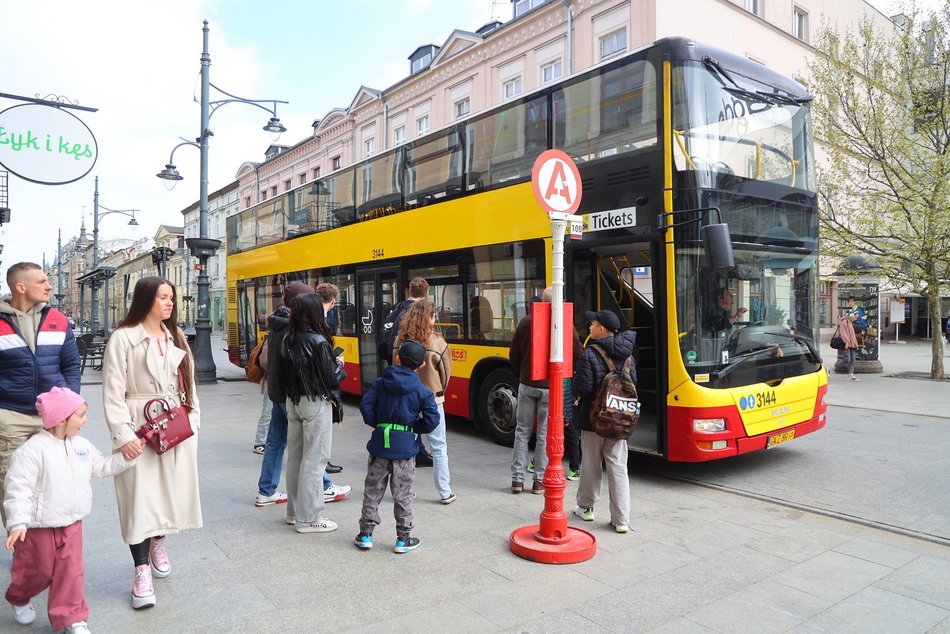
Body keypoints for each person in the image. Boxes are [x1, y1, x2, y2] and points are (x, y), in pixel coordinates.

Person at [102, 276, 202, 609]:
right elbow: (113, 391)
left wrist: (193, 421)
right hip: (138, 423)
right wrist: (123, 435)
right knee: (138, 499)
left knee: (167, 494)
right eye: (162, 297)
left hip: (175, 424)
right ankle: (141, 569)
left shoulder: (176, 336)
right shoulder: (123, 338)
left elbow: (190, 383)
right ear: (145, 300)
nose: (169, 303)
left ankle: (158, 540)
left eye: (171, 297)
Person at [4, 387, 139, 633]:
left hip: (72, 524)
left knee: (71, 572)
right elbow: (18, 488)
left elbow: (101, 465)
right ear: (60, 419)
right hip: (39, 527)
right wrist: (18, 523)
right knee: (36, 571)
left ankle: (72, 617)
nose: (85, 420)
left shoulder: (81, 446)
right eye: (80, 415)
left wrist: (127, 458)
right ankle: (19, 596)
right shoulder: (32, 450)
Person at [254, 282, 349, 511]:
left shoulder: (277, 323)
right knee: (310, 448)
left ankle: (266, 491)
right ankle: (323, 488)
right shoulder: (294, 327)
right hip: (295, 394)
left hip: (277, 391)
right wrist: (336, 364)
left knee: (276, 443)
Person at [0, 262, 81, 528]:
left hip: (53, 418)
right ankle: (22, 544)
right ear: (20, 287)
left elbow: (71, 365)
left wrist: (70, 406)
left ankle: (46, 543)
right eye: (42, 282)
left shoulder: (58, 319)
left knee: (54, 482)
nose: (49, 286)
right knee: (12, 483)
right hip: (10, 417)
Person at [355, 340, 439, 553]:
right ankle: (403, 539)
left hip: (379, 446)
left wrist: (379, 424)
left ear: (398, 359)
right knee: (404, 494)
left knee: (373, 491)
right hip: (405, 450)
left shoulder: (380, 383)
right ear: (421, 365)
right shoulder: (422, 390)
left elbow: (366, 407)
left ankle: (365, 535)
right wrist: (412, 429)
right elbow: (432, 419)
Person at [281, 293, 347, 533]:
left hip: (293, 401)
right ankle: (309, 519)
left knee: (296, 458)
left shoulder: (289, 338)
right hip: (315, 401)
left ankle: (294, 512)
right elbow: (332, 377)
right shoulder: (318, 341)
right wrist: (339, 364)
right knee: (315, 460)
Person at [508, 287, 583, 494]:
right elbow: (578, 354)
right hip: (550, 388)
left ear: (542, 301)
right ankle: (538, 482)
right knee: (543, 434)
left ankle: (517, 480)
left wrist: (521, 374)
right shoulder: (565, 323)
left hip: (527, 384)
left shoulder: (526, 321)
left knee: (522, 431)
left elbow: (513, 353)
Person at [572, 310, 636, 533]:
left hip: (594, 420)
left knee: (591, 464)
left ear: (601, 329)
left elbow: (582, 388)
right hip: (620, 420)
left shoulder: (590, 354)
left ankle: (586, 508)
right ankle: (621, 520)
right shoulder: (628, 356)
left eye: (592, 324)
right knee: (618, 466)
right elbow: (633, 383)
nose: (589, 327)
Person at [394, 300, 455, 503]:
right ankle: (445, 492)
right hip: (432, 399)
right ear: (429, 317)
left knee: (405, 446)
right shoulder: (437, 341)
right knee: (439, 447)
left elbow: (395, 367)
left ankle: (405, 491)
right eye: (434, 315)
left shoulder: (400, 339)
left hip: (406, 400)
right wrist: (438, 390)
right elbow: (446, 373)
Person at [376, 277, 434, 466]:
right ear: (426, 292)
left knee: (402, 408)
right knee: (413, 409)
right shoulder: (420, 311)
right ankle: (415, 451)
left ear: (410, 290)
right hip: (413, 367)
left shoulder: (397, 307)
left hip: (396, 364)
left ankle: (404, 447)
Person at [315, 282, 344, 475]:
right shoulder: (320, 320)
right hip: (320, 388)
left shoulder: (313, 317)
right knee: (322, 429)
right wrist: (338, 363)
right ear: (333, 301)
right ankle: (323, 472)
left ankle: (323, 465)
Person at [838, 312, 860, 382]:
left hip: (852, 344)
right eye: (855, 317)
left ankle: (851, 375)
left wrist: (856, 344)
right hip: (847, 344)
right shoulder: (844, 322)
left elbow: (852, 335)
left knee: (853, 359)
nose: (856, 319)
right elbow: (843, 333)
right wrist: (846, 342)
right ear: (851, 316)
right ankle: (833, 368)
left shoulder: (850, 322)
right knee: (847, 359)